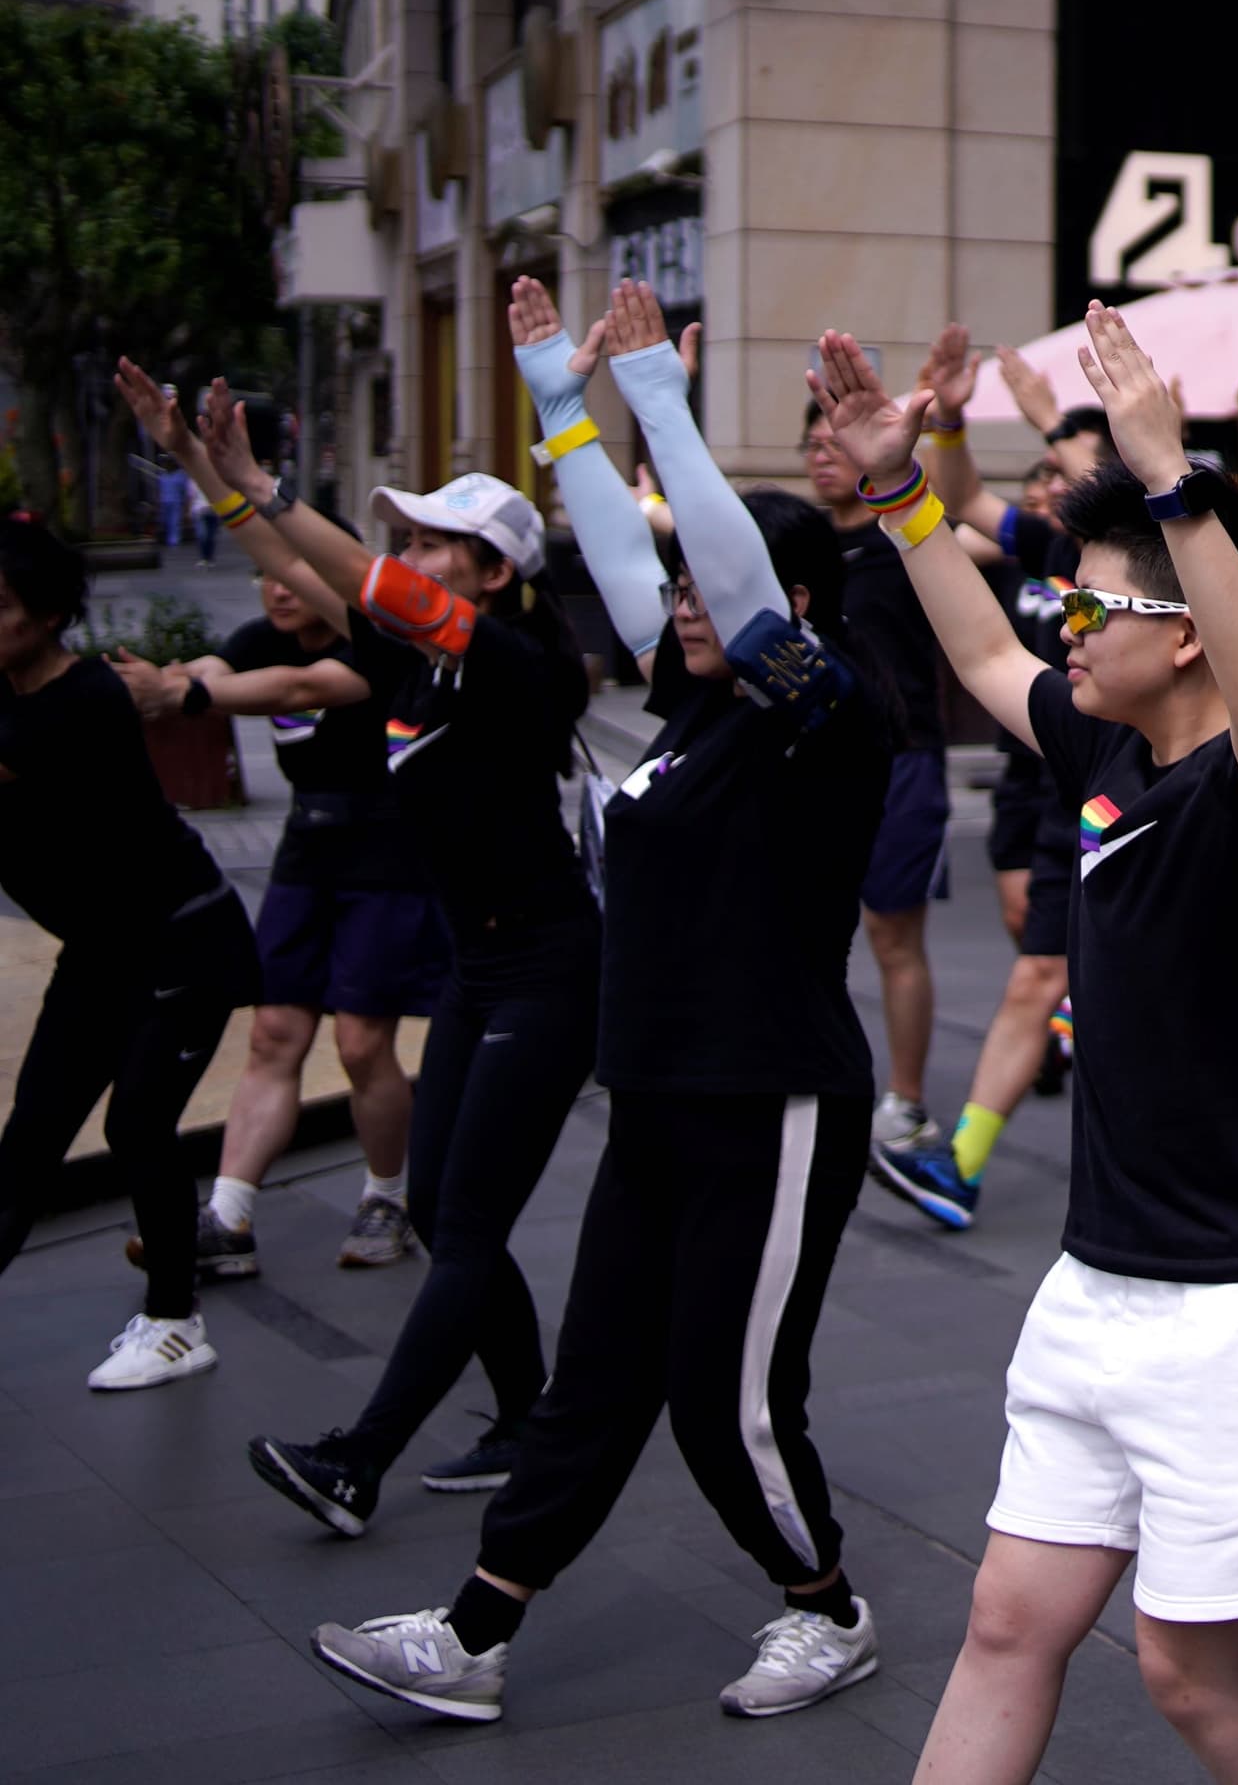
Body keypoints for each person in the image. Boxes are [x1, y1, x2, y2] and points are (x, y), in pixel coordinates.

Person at [819, 306, 1238, 1784]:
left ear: (1186, 629)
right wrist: (902, 493)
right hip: (1108, 1273)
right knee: (1011, 1615)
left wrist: (1171, 473)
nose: (1059, 633)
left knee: (1192, 1674)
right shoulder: (1102, 750)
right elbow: (970, 634)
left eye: (1092, 614)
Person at [304, 275, 896, 1724]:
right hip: (658, 1088)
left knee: (726, 1400)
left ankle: (828, 1609)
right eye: (680, 584)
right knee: (592, 1384)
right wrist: (562, 400)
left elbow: (728, 577)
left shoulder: (830, 715)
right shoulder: (693, 701)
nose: (681, 601)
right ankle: (472, 1635)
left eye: (711, 583)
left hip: (774, 1097)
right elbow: (652, 572)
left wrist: (664, 409)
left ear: (792, 603)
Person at [184, 340, 607, 1529]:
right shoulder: (415, 666)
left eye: (430, 542)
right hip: (481, 964)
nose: (408, 557)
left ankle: (358, 1456)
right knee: (434, 1208)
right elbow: (311, 580)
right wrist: (223, 483)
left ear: (485, 569)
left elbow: (367, 582)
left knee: (467, 1224)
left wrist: (270, 487)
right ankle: (528, 1413)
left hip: (547, 968)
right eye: (407, 538)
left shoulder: (519, 665)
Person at [97, 488, 436, 1278]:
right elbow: (217, 667)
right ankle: (229, 1216)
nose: (278, 588)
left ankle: (387, 1198)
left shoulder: (374, 645)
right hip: (305, 851)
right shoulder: (258, 637)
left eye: (295, 573)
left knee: (360, 1042)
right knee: (274, 1032)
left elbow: (297, 690)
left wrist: (188, 692)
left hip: (389, 855)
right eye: (266, 578)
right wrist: (169, 679)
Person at [0, 510, 262, 1389]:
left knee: (136, 1121)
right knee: (31, 1135)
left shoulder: (84, 704)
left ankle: (176, 1321)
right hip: (104, 949)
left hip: (183, 938)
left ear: (42, 615)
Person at [864, 327, 1093, 1229]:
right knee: (1037, 961)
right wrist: (947, 427)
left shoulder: (1168, 545)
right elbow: (953, 506)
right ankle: (963, 1158)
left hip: (1131, 784)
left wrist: (1051, 416)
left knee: (1047, 973)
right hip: (1050, 775)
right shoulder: (1045, 543)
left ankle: (960, 1160)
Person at [803, 351, 957, 1167]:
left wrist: (941, 435)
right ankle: (818, 1082)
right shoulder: (797, 549)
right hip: (817, 762)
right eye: (816, 443)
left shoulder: (909, 530)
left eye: (838, 440)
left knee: (894, 936)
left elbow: (958, 510)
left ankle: (907, 1101)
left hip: (905, 759)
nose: (826, 452)